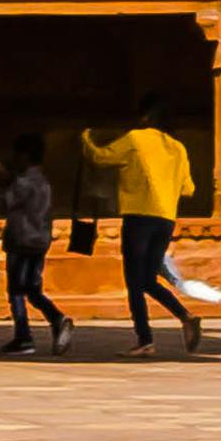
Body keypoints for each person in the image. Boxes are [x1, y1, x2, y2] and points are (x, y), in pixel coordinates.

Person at [83, 116, 204, 353]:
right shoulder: (178, 147)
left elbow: (101, 157)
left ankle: (145, 339)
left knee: (134, 282)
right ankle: (185, 316)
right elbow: (188, 189)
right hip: (166, 219)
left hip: (139, 217)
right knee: (148, 279)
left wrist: (85, 138)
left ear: (145, 118)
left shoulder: (135, 139)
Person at [0, 143, 74, 356]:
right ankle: (57, 318)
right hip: (40, 240)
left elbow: (4, 204)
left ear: (26, 156)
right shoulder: (43, 182)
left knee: (17, 291)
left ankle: (23, 337)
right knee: (32, 289)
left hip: (21, 240)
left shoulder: (23, 183)